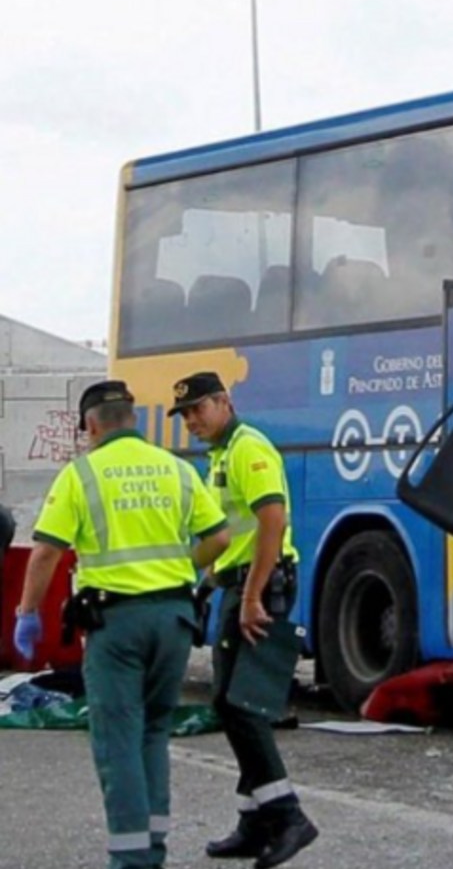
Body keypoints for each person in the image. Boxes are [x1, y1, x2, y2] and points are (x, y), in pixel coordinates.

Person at [12, 380, 230, 869]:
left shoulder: (82, 474)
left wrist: (27, 613)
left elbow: (46, 550)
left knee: (117, 738)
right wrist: (180, 569)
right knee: (154, 732)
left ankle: (131, 859)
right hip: (174, 620)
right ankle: (152, 847)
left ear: (90, 426)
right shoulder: (176, 468)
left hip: (117, 625)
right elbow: (219, 537)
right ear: (132, 419)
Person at [169, 372, 319, 868]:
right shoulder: (221, 455)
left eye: (197, 410)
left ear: (223, 402)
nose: (191, 421)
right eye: (185, 415)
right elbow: (236, 530)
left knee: (239, 705)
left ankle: (288, 815)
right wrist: (210, 583)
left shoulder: (247, 448)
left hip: (262, 585)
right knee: (234, 702)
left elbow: (272, 520)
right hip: (240, 584)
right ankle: (254, 822)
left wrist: (252, 595)